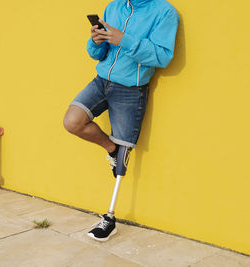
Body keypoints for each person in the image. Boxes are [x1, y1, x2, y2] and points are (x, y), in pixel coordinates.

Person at [63, 0, 179, 242]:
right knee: (72, 122)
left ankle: (110, 218)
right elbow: (98, 53)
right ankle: (111, 149)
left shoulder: (164, 12)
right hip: (101, 81)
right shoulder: (114, 7)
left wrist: (123, 39)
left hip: (131, 88)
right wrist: (95, 42)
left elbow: (162, 56)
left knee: (123, 159)